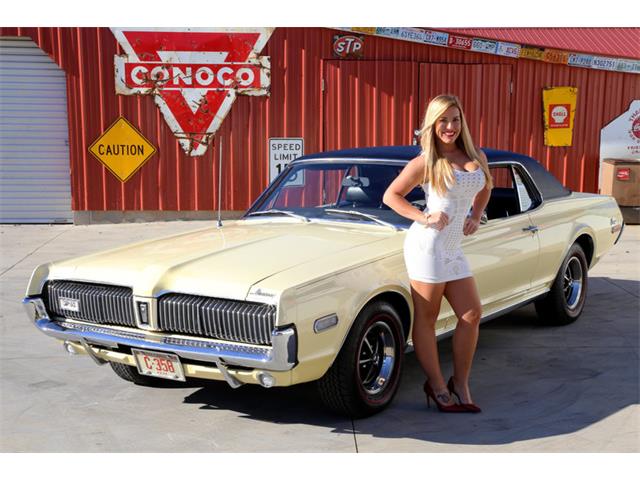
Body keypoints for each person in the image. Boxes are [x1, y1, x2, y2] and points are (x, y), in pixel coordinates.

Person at [382, 94, 493, 413]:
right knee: (427, 319)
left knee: (471, 315)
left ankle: (461, 382)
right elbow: (392, 195)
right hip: (427, 246)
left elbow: (485, 186)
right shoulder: (425, 162)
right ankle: (438, 386)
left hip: (453, 246)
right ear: (433, 124)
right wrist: (424, 216)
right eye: (443, 120)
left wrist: (476, 215)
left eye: (456, 119)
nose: (450, 127)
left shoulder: (475, 155)